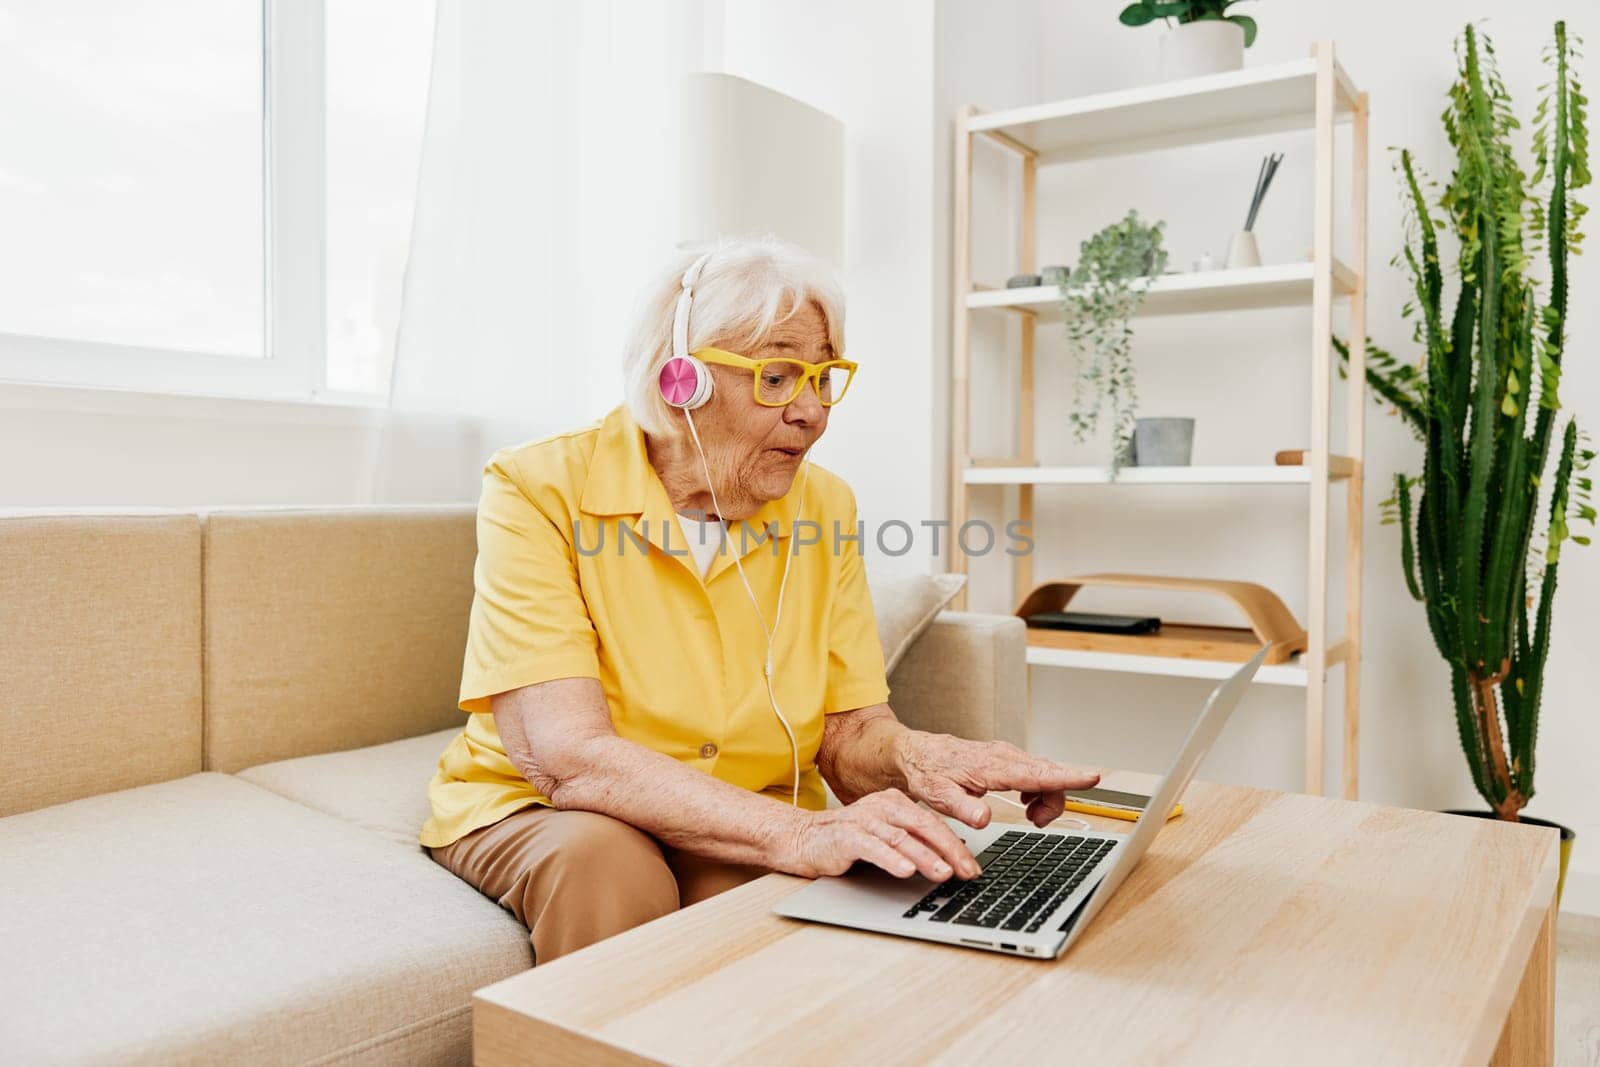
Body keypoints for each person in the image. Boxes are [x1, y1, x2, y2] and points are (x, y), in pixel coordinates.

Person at [421, 235, 1099, 963]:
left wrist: (921, 755)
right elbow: (568, 755)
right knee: (610, 869)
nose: (812, 411)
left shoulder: (825, 504)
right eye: (777, 377)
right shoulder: (537, 485)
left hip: (735, 802)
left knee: (829, 897)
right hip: (548, 805)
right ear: (680, 381)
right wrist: (801, 832)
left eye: (824, 376)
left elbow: (847, 732)